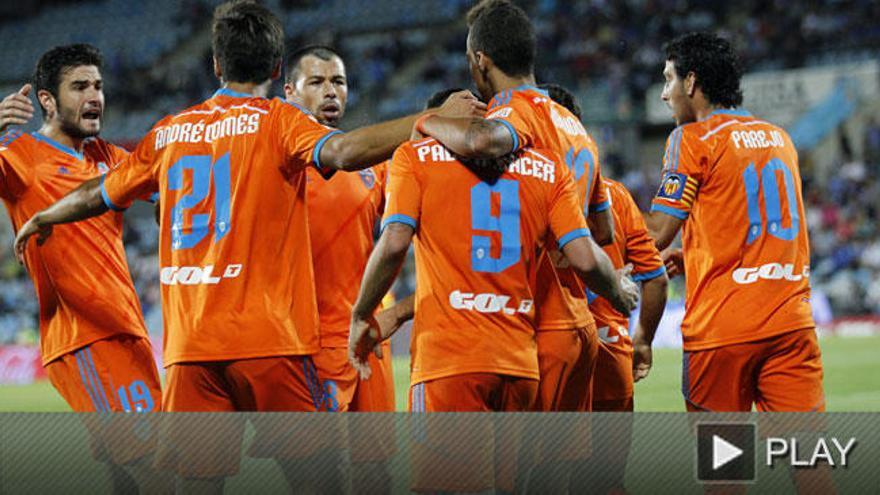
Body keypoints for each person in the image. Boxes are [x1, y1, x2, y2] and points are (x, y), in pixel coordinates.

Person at [14, 1, 482, 489]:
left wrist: (47, 214)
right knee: (319, 477)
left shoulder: (170, 131)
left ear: (216, 64)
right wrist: (430, 117)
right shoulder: (279, 121)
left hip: (191, 346)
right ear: (279, 70)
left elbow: (101, 191)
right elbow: (342, 150)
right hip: (269, 338)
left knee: (197, 483)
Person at [416, 0, 618, 412]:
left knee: (518, 476)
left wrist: (426, 120)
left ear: (480, 60)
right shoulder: (574, 122)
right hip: (579, 322)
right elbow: (605, 232)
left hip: (536, 324)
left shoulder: (512, 113)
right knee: (560, 474)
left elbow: (484, 141)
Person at [0, 43, 165, 492]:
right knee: (161, 470)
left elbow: (170, 189)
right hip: (85, 338)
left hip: (125, 329)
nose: (94, 96)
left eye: (98, 86)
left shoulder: (108, 157)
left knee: (127, 475)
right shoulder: (21, 157)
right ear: (47, 101)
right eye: (79, 87)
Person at [645, 32, 824, 413]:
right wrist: (695, 257)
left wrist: (590, 217)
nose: (665, 93)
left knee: (725, 469)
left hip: (722, 335)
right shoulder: (780, 139)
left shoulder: (691, 139)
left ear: (691, 82)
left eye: (668, 79)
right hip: (791, 327)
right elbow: (751, 221)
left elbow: (657, 233)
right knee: (810, 463)